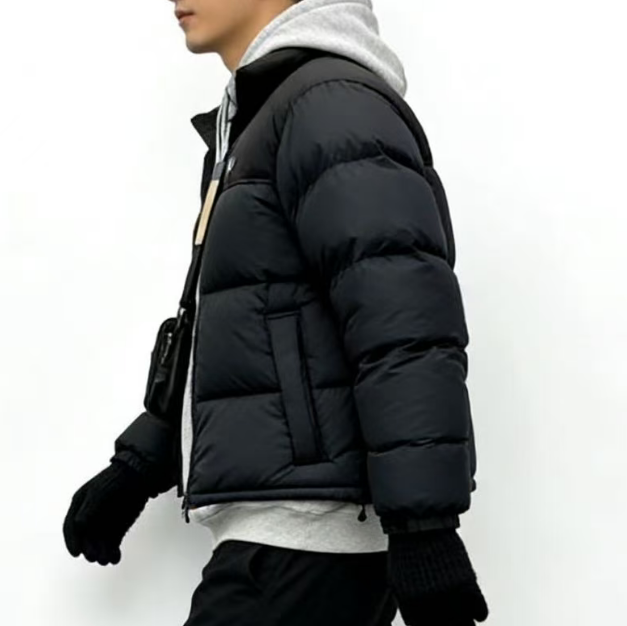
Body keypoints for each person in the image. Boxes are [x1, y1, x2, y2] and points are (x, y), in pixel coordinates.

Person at [62, 1, 489, 625]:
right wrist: (142, 459)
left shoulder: (330, 105)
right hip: (287, 535)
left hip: (305, 539)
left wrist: (425, 524)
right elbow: (247, 322)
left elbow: (404, 320)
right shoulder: (268, 115)